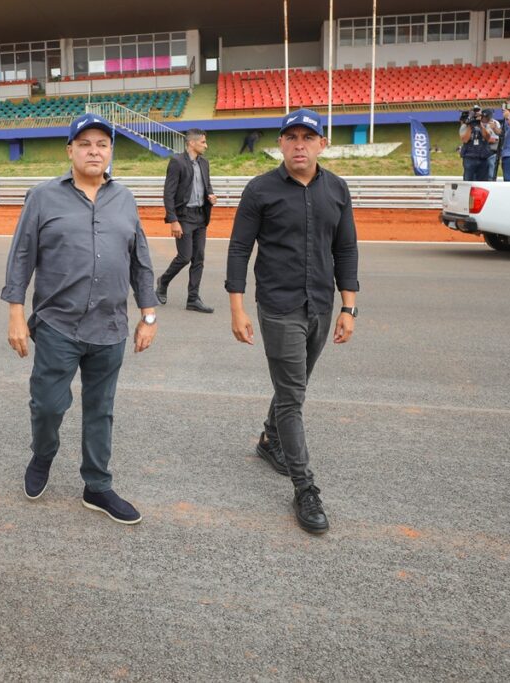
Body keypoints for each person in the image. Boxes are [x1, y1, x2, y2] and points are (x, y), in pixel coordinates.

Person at [2, 113, 158, 525]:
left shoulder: (124, 198)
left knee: (100, 408)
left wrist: (149, 314)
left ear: (110, 153)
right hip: (58, 326)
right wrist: (16, 313)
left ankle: (97, 485)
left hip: (110, 328)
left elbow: (140, 259)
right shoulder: (42, 197)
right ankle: (43, 454)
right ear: (69, 150)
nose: (94, 151)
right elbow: (21, 256)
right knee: (49, 406)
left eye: (102, 144)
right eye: (85, 143)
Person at [225, 108, 359, 536]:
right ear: (280, 144)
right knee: (293, 397)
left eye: (308, 137)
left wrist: (349, 307)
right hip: (279, 307)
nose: (299, 144)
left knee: (292, 387)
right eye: (291, 137)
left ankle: (270, 440)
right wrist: (237, 307)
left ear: (322, 143)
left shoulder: (336, 189)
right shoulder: (260, 189)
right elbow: (239, 249)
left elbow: (346, 250)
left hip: (320, 303)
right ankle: (305, 488)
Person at [156, 128, 218, 313]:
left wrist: (211, 196)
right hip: (183, 217)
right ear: (191, 143)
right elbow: (169, 193)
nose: (206, 146)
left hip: (200, 215)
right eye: (203, 142)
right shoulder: (177, 162)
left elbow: (207, 185)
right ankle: (163, 281)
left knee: (198, 258)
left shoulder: (204, 163)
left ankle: (193, 299)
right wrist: (173, 220)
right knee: (185, 256)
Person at [458, 105, 493, 182]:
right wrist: (470, 126)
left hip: (483, 157)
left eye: (478, 113)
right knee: (468, 181)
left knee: (483, 181)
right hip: (469, 157)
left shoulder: (485, 125)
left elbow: (487, 137)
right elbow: (465, 140)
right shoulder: (465, 126)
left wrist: (480, 125)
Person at [480, 109, 502, 180]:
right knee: (481, 173)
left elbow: (494, 139)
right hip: (480, 152)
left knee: (491, 173)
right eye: (484, 117)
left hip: (492, 151)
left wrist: (484, 139)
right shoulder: (478, 123)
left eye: (487, 117)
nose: (485, 118)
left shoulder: (494, 123)